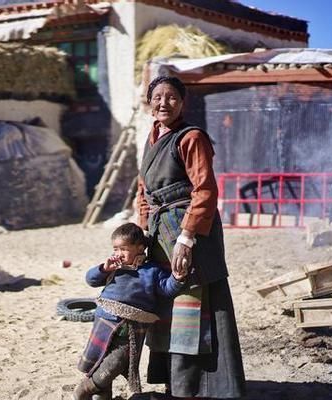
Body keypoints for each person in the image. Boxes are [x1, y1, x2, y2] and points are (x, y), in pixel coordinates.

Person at [136, 75, 246, 399]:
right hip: (159, 236)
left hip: (190, 235)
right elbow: (144, 191)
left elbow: (206, 190)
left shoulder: (192, 137)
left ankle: (197, 388)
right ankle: (175, 384)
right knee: (168, 308)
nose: (163, 103)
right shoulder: (151, 138)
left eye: (171, 97)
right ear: (149, 102)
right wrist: (143, 231)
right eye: (157, 97)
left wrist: (186, 236)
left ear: (182, 103)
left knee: (193, 308)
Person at [74, 222, 185, 400]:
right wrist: (104, 268)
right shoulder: (114, 268)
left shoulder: (152, 270)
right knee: (101, 360)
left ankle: (87, 387)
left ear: (140, 248)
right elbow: (91, 280)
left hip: (133, 326)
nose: (118, 253)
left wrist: (177, 278)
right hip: (105, 321)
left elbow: (166, 289)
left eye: (123, 249)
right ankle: (102, 395)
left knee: (118, 360)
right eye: (115, 249)